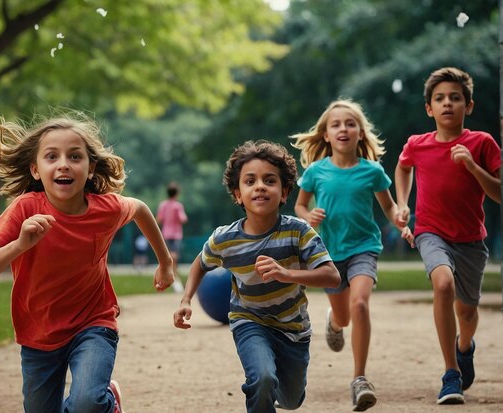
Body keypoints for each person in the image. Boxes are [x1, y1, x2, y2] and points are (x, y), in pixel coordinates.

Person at [0, 112, 175, 413]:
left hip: (94, 323)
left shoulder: (106, 209)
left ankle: (104, 403)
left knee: (87, 403)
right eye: (51, 156)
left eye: (74, 156)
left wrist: (165, 262)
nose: (63, 163)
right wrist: (19, 245)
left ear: (90, 169)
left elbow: (140, 209)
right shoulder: (25, 209)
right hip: (39, 332)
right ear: (35, 170)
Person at [173, 140, 340, 413]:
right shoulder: (225, 239)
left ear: (284, 192)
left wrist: (287, 274)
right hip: (249, 321)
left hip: (293, 328)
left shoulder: (298, 232)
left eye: (269, 180)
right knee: (262, 379)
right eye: (250, 181)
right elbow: (200, 264)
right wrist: (186, 299)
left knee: (290, 399)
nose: (260, 186)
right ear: (238, 194)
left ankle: (276, 396)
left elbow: (331, 276)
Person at [291, 99, 413, 411]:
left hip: (364, 247)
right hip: (329, 254)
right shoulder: (316, 171)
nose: (343, 128)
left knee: (359, 303)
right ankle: (335, 322)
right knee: (344, 315)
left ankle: (360, 378)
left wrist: (398, 217)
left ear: (360, 133)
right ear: (326, 135)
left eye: (350, 123)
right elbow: (299, 206)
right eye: (336, 124)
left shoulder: (372, 171)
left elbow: (387, 206)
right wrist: (308, 216)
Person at [395, 67, 501, 405]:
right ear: (429, 108)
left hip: (471, 239)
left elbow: (500, 193)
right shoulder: (418, 144)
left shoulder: (482, 143)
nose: (447, 104)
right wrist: (402, 203)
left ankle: (464, 347)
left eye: (455, 98)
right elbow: (402, 166)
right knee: (443, 285)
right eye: (439, 99)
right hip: (431, 232)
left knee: (467, 313)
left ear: (468, 106)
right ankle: (450, 373)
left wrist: (472, 166)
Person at [157, 182, 188, 293]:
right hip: (175, 235)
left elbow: (159, 219)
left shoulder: (163, 205)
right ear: (177, 194)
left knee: (169, 258)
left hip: (165, 234)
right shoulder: (177, 206)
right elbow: (183, 219)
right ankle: (175, 280)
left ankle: (173, 279)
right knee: (173, 257)